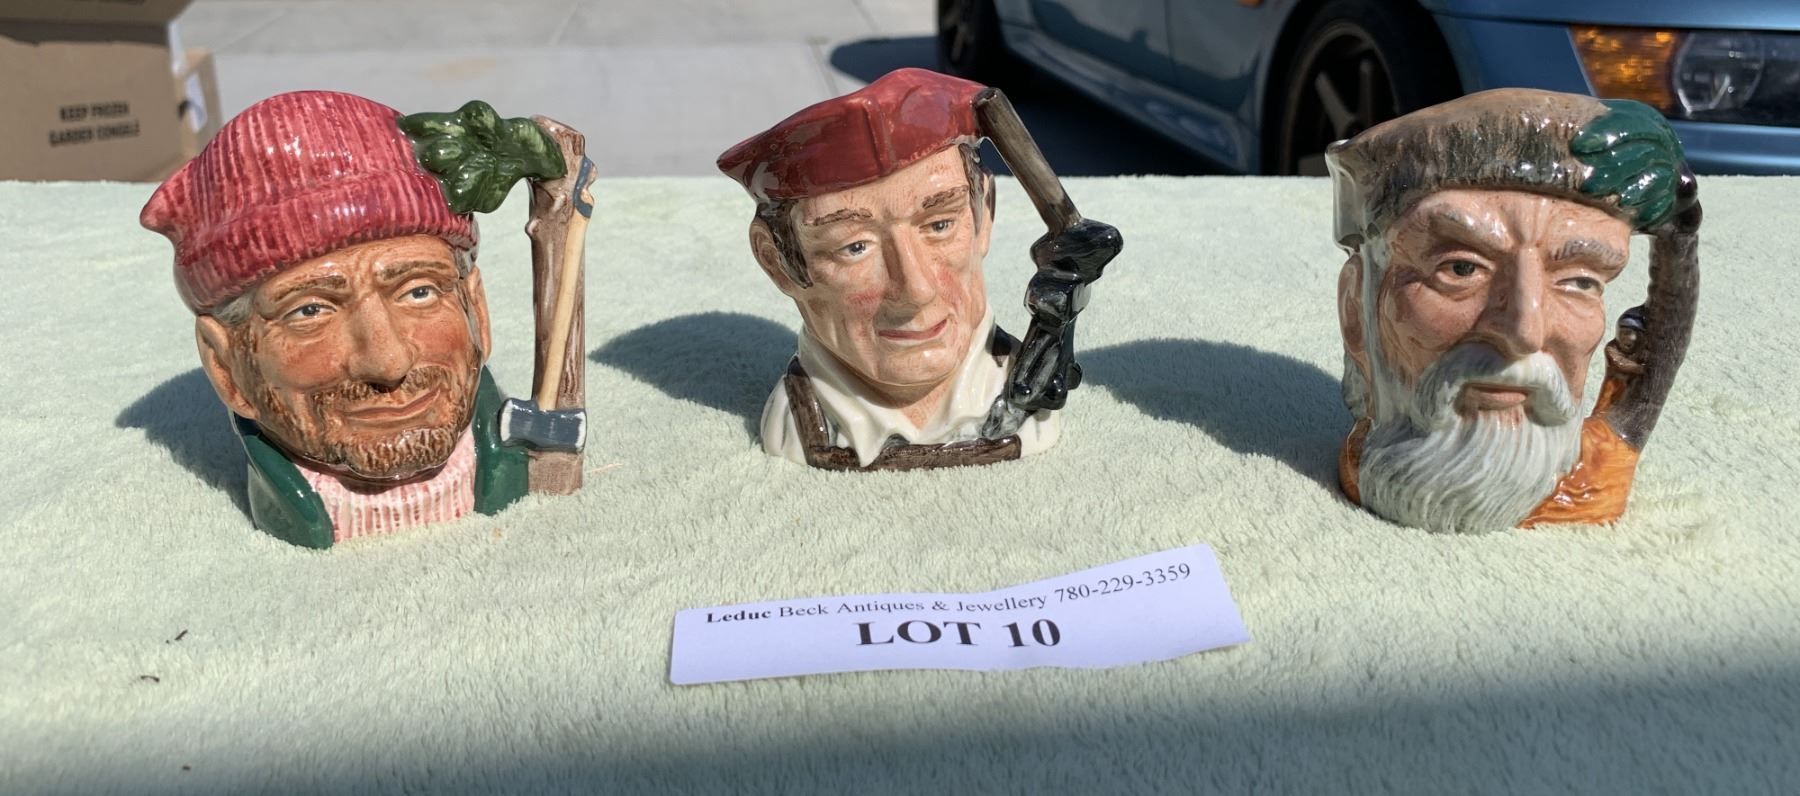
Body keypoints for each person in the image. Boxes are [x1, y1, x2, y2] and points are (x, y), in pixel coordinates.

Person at [141, 91, 527, 549]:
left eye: (418, 292)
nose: (387, 362)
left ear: (476, 310)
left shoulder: (535, 440)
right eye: (310, 311)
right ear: (225, 367)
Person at [1328, 88, 1700, 534]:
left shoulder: (1596, 475)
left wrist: (1681, 237)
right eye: (1462, 269)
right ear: (1356, 310)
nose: (1525, 332)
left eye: (1578, 282)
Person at [717, 68, 1061, 470]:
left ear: (984, 215)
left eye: (940, 225)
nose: (916, 290)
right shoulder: (795, 426)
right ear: (776, 262)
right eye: (855, 247)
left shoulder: (1030, 397)